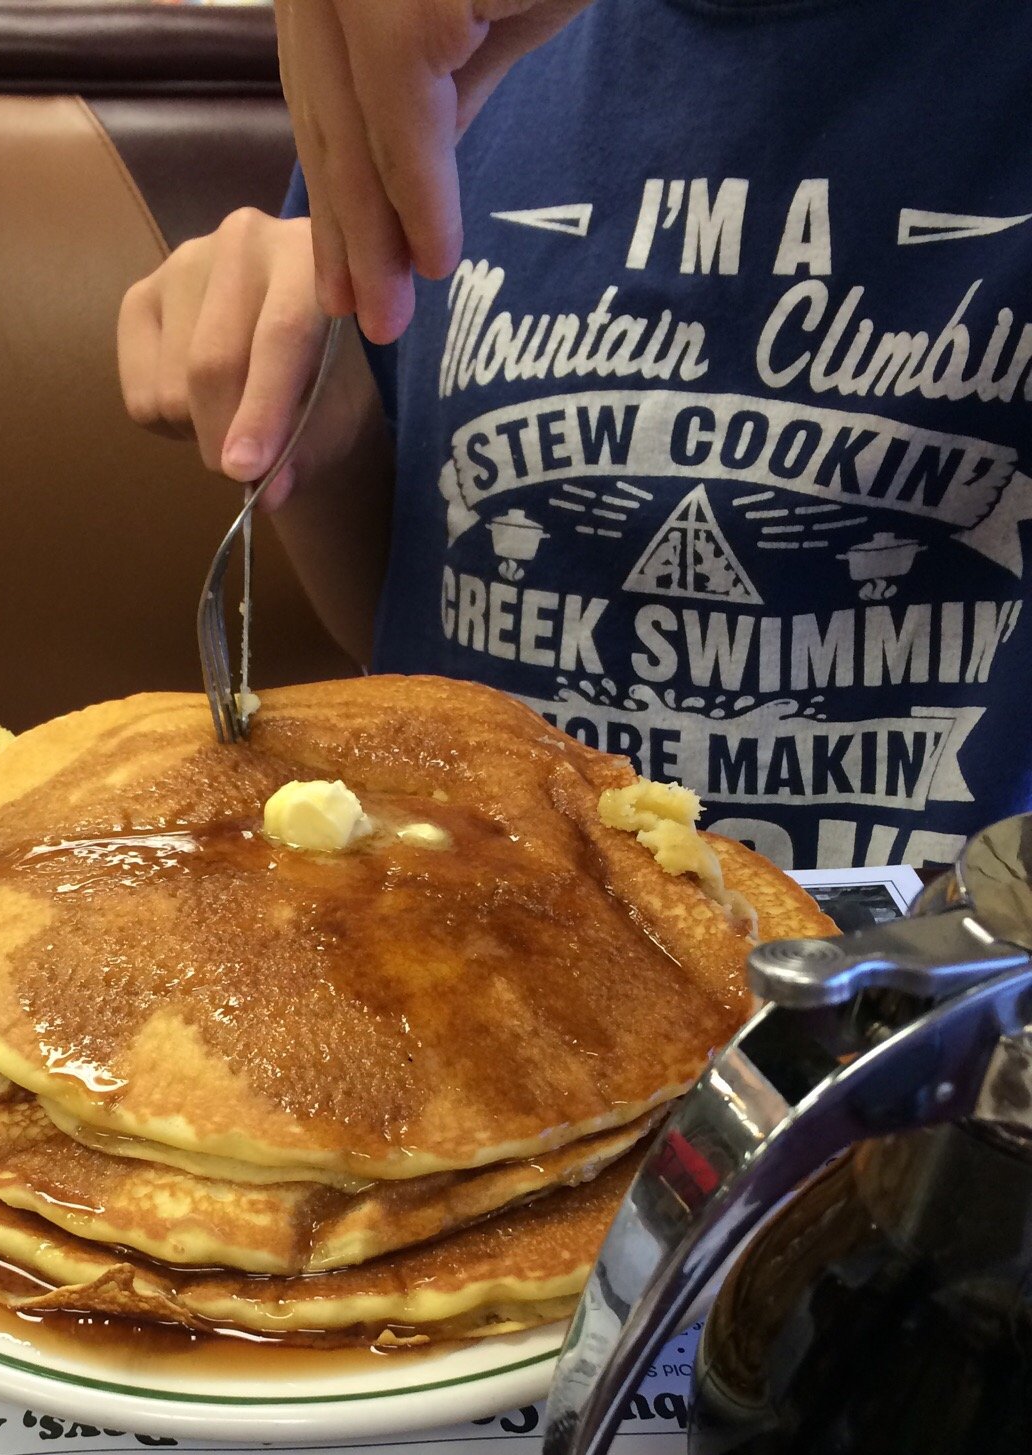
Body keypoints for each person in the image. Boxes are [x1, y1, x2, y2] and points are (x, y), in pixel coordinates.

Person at [119, 0, 1032, 872]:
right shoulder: (430, 52)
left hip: (958, 998)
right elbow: (413, 616)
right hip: (478, 951)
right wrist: (334, 437)